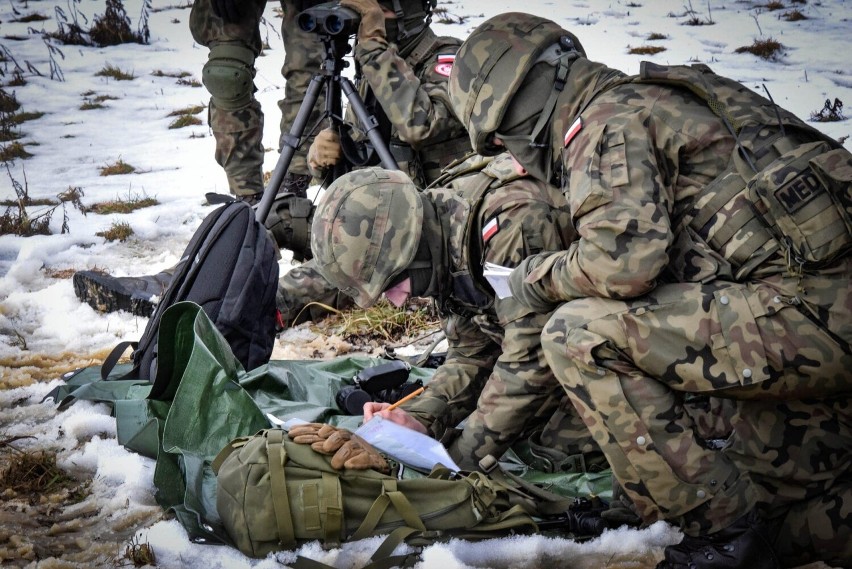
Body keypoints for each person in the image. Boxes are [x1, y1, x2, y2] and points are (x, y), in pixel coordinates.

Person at [444, 12, 852, 569]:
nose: (509, 154)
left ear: (525, 102)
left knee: (580, 333)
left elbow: (621, 266)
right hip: (812, 311)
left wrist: (530, 279)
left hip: (814, 315)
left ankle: (722, 540)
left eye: (500, 136)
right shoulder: (661, 96)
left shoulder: (604, 120)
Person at [73, 0, 471, 319]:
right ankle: (176, 282)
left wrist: (372, 47)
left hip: (416, 235)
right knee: (262, 216)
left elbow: (422, 124)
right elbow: (365, 171)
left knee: (334, 267)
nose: (365, 15)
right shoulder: (373, 73)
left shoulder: (446, 59)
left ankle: (219, 310)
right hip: (371, 220)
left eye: (376, 8)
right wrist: (324, 159)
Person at [308, 158, 604, 473]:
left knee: (559, 449)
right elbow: (472, 352)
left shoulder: (510, 225)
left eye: (392, 283)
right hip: (566, 343)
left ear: (411, 250)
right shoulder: (439, 234)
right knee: (516, 429)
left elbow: (529, 360)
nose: (396, 302)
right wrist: (420, 419)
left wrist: (456, 463)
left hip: (632, 333)